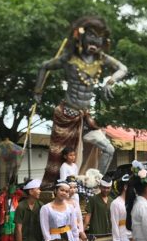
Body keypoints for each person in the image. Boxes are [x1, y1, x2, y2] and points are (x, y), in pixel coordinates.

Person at [35, 16, 127, 186]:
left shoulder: (101, 59)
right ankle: (58, 187)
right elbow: (44, 66)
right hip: (66, 117)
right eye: (91, 36)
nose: (94, 41)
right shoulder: (69, 58)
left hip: (85, 119)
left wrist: (110, 81)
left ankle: (96, 183)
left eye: (98, 38)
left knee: (109, 149)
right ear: (82, 38)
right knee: (62, 161)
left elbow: (123, 68)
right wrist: (38, 91)